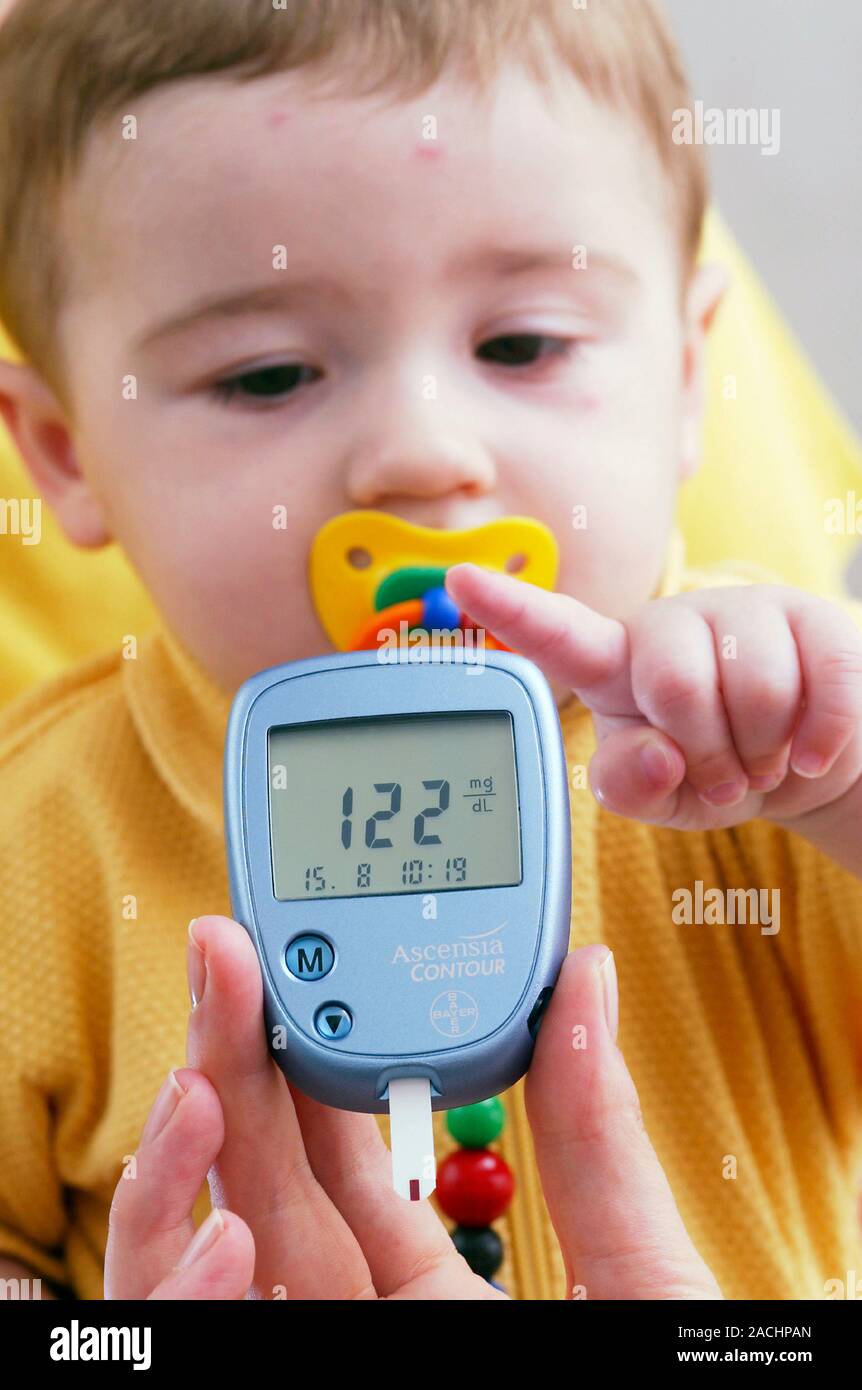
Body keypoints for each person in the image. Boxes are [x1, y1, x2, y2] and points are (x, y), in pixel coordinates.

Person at [0, 0, 860, 1300]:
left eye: (519, 344)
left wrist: (841, 779)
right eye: (268, 375)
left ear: (689, 378)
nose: (417, 451)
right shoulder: (39, 836)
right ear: (66, 454)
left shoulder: (762, 758)